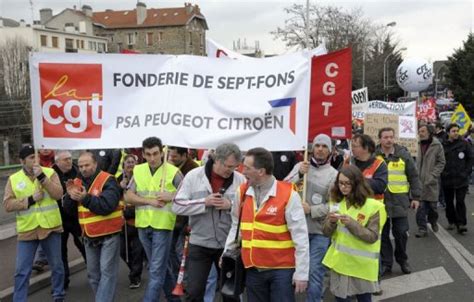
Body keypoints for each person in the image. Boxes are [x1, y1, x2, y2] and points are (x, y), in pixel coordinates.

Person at [225, 147, 309, 302]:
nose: (242, 171)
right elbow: (236, 225)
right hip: (253, 268)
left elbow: (301, 236)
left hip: (282, 270)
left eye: (247, 168)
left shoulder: (289, 194)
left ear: (261, 171)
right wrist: (227, 251)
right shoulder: (242, 192)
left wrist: (302, 274)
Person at [172, 143, 246, 302]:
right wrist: (203, 202)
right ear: (216, 160)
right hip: (199, 243)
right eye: (227, 166)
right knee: (194, 292)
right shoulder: (193, 176)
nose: (230, 170)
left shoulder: (241, 180)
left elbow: (250, 209)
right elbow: (176, 205)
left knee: (231, 293)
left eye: (234, 167)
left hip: (229, 245)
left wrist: (231, 205)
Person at [3, 145, 65, 302]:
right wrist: (30, 200)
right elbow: (8, 205)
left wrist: (43, 178)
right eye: (31, 158)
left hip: (50, 227)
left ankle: (58, 296)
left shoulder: (50, 172)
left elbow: (58, 194)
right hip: (27, 230)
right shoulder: (14, 179)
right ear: (22, 161)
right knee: (21, 271)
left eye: (36, 157)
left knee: (57, 266)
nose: (35, 160)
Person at [125, 137, 183, 302]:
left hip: (163, 226)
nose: (152, 158)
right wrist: (149, 201)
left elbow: (187, 195)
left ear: (162, 152)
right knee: (162, 269)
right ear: (143, 154)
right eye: (148, 154)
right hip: (143, 225)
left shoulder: (173, 172)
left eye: (155, 154)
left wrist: (171, 195)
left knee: (156, 271)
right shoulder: (139, 170)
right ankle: (175, 300)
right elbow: (128, 196)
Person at [63, 151, 123, 302]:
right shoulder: (77, 182)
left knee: (107, 273)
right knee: (93, 275)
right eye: (81, 166)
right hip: (89, 236)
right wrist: (70, 197)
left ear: (95, 164)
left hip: (109, 234)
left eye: (87, 165)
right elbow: (69, 211)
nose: (83, 169)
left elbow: (106, 206)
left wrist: (85, 198)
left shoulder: (109, 180)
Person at [285, 134, 338, 302]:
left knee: (315, 272)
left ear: (330, 150)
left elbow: (335, 206)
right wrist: (299, 174)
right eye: (317, 146)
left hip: (318, 232)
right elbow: (283, 188)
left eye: (324, 146)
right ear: (312, 148)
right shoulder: (300, 166)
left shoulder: (334, 175)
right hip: (295, 230)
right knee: (289, 270)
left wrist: (312, 209)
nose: (320, 149)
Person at [322, 165, 387, 302]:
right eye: (340, 183)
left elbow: (372, 237)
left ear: (357, 184)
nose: (343, 187)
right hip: (340, 264)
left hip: (361, 266)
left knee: (364, 299)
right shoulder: (336, 203)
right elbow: (326, 232)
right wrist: (332, 222)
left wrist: (352, 224)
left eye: (347, 183)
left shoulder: (374, 207)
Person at [375, 128, 421, 276]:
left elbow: (413, 176)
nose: (389, 140)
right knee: (382, 235)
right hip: (379, 202)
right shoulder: (374, 155)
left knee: (401, 233)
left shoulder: (403, 154)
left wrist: (415, 197)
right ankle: (386, 263)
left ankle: (402, 260)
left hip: (399, 202)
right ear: (380, 139)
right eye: (385, 137)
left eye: (391, 137)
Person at [52, 150, 87, 289]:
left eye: (70, 158)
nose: (69, 161)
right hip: (58, 219)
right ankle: (63, 282)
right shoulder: (51, 174)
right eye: (65, 159)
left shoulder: (78, 172)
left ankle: (94, 274)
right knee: (60, 253)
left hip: (75, 218)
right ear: (57, 162)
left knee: (84, 247)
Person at [118, 154, 145, 289]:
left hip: (138, 221)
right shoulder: (118, 180)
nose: (130, 165)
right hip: (123, 223)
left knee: (137, 252)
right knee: (123, 251)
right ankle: (134, 268)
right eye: (127, 162)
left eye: (132, 162)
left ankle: (135, 276)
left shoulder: (141, 178)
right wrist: (119, 187)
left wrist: (129, 212)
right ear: (123, 165)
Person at [441, 123, 473, 234]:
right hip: (447, 178)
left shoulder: (464, 144)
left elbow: (470, 158)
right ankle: (451, 220)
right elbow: (439, 160)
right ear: (448, 132)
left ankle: (461, 224)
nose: (456, 133)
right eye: (453, 131)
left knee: (460, 201)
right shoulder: (442, 145)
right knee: (449, 202)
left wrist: (466, 172)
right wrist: (442, 172)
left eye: (457, 131)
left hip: (461, 178)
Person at [415, 124, 446, 237]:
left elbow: (441, 162)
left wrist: (433, 175)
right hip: (418, 181)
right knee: (420, 207)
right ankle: (422, 229)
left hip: (431, 181)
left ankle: (433, 221)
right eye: (419, 131)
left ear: (429, 132)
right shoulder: (416, 144)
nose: (420, 133)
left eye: (422, 131)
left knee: (432, 207)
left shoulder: (437, 145)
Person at [350, 134, 388, 202]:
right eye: (352, 146)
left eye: (355, 146)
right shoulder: (348, 162)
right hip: (351, 206)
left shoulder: (379, 164)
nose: (352, 149)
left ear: (366, 148)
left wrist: (356, 180)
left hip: (371, 209)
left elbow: (380, 186)